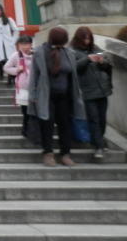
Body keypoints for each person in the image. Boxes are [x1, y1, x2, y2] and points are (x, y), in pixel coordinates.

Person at [28, 26, 86, 167]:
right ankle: (48, 153)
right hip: (46, 95)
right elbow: (34, 75)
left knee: (64, 124)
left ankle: (65, 153)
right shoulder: (40, 52)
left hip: (65, 95)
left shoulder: (68, 53)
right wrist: (33, 93)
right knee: (47, 124)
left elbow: (72, 74)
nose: (62, 44)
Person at [71, 26, 112, 160]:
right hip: (87, 91)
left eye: (89, 38)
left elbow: (107, 65)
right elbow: (74, 67)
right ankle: (99, 146)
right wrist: (87, 59)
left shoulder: (96, 49)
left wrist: (102, 61)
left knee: (102, 118)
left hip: (102, 89)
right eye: (85, 38)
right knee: (93, 119)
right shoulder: (73, 51)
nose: (87, 41)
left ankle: (97, 141)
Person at [4, 35, 34, 138]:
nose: (23, 46)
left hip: (35, 87)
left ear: (31, 44)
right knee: (26, 111)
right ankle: (25, 129)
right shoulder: (16, 55)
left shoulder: (36, 55)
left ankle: (33, 129)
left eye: (26, 44)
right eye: (21, 44)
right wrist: (17, 70)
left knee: (34, 110)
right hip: (22, 87)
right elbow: (6, 67)